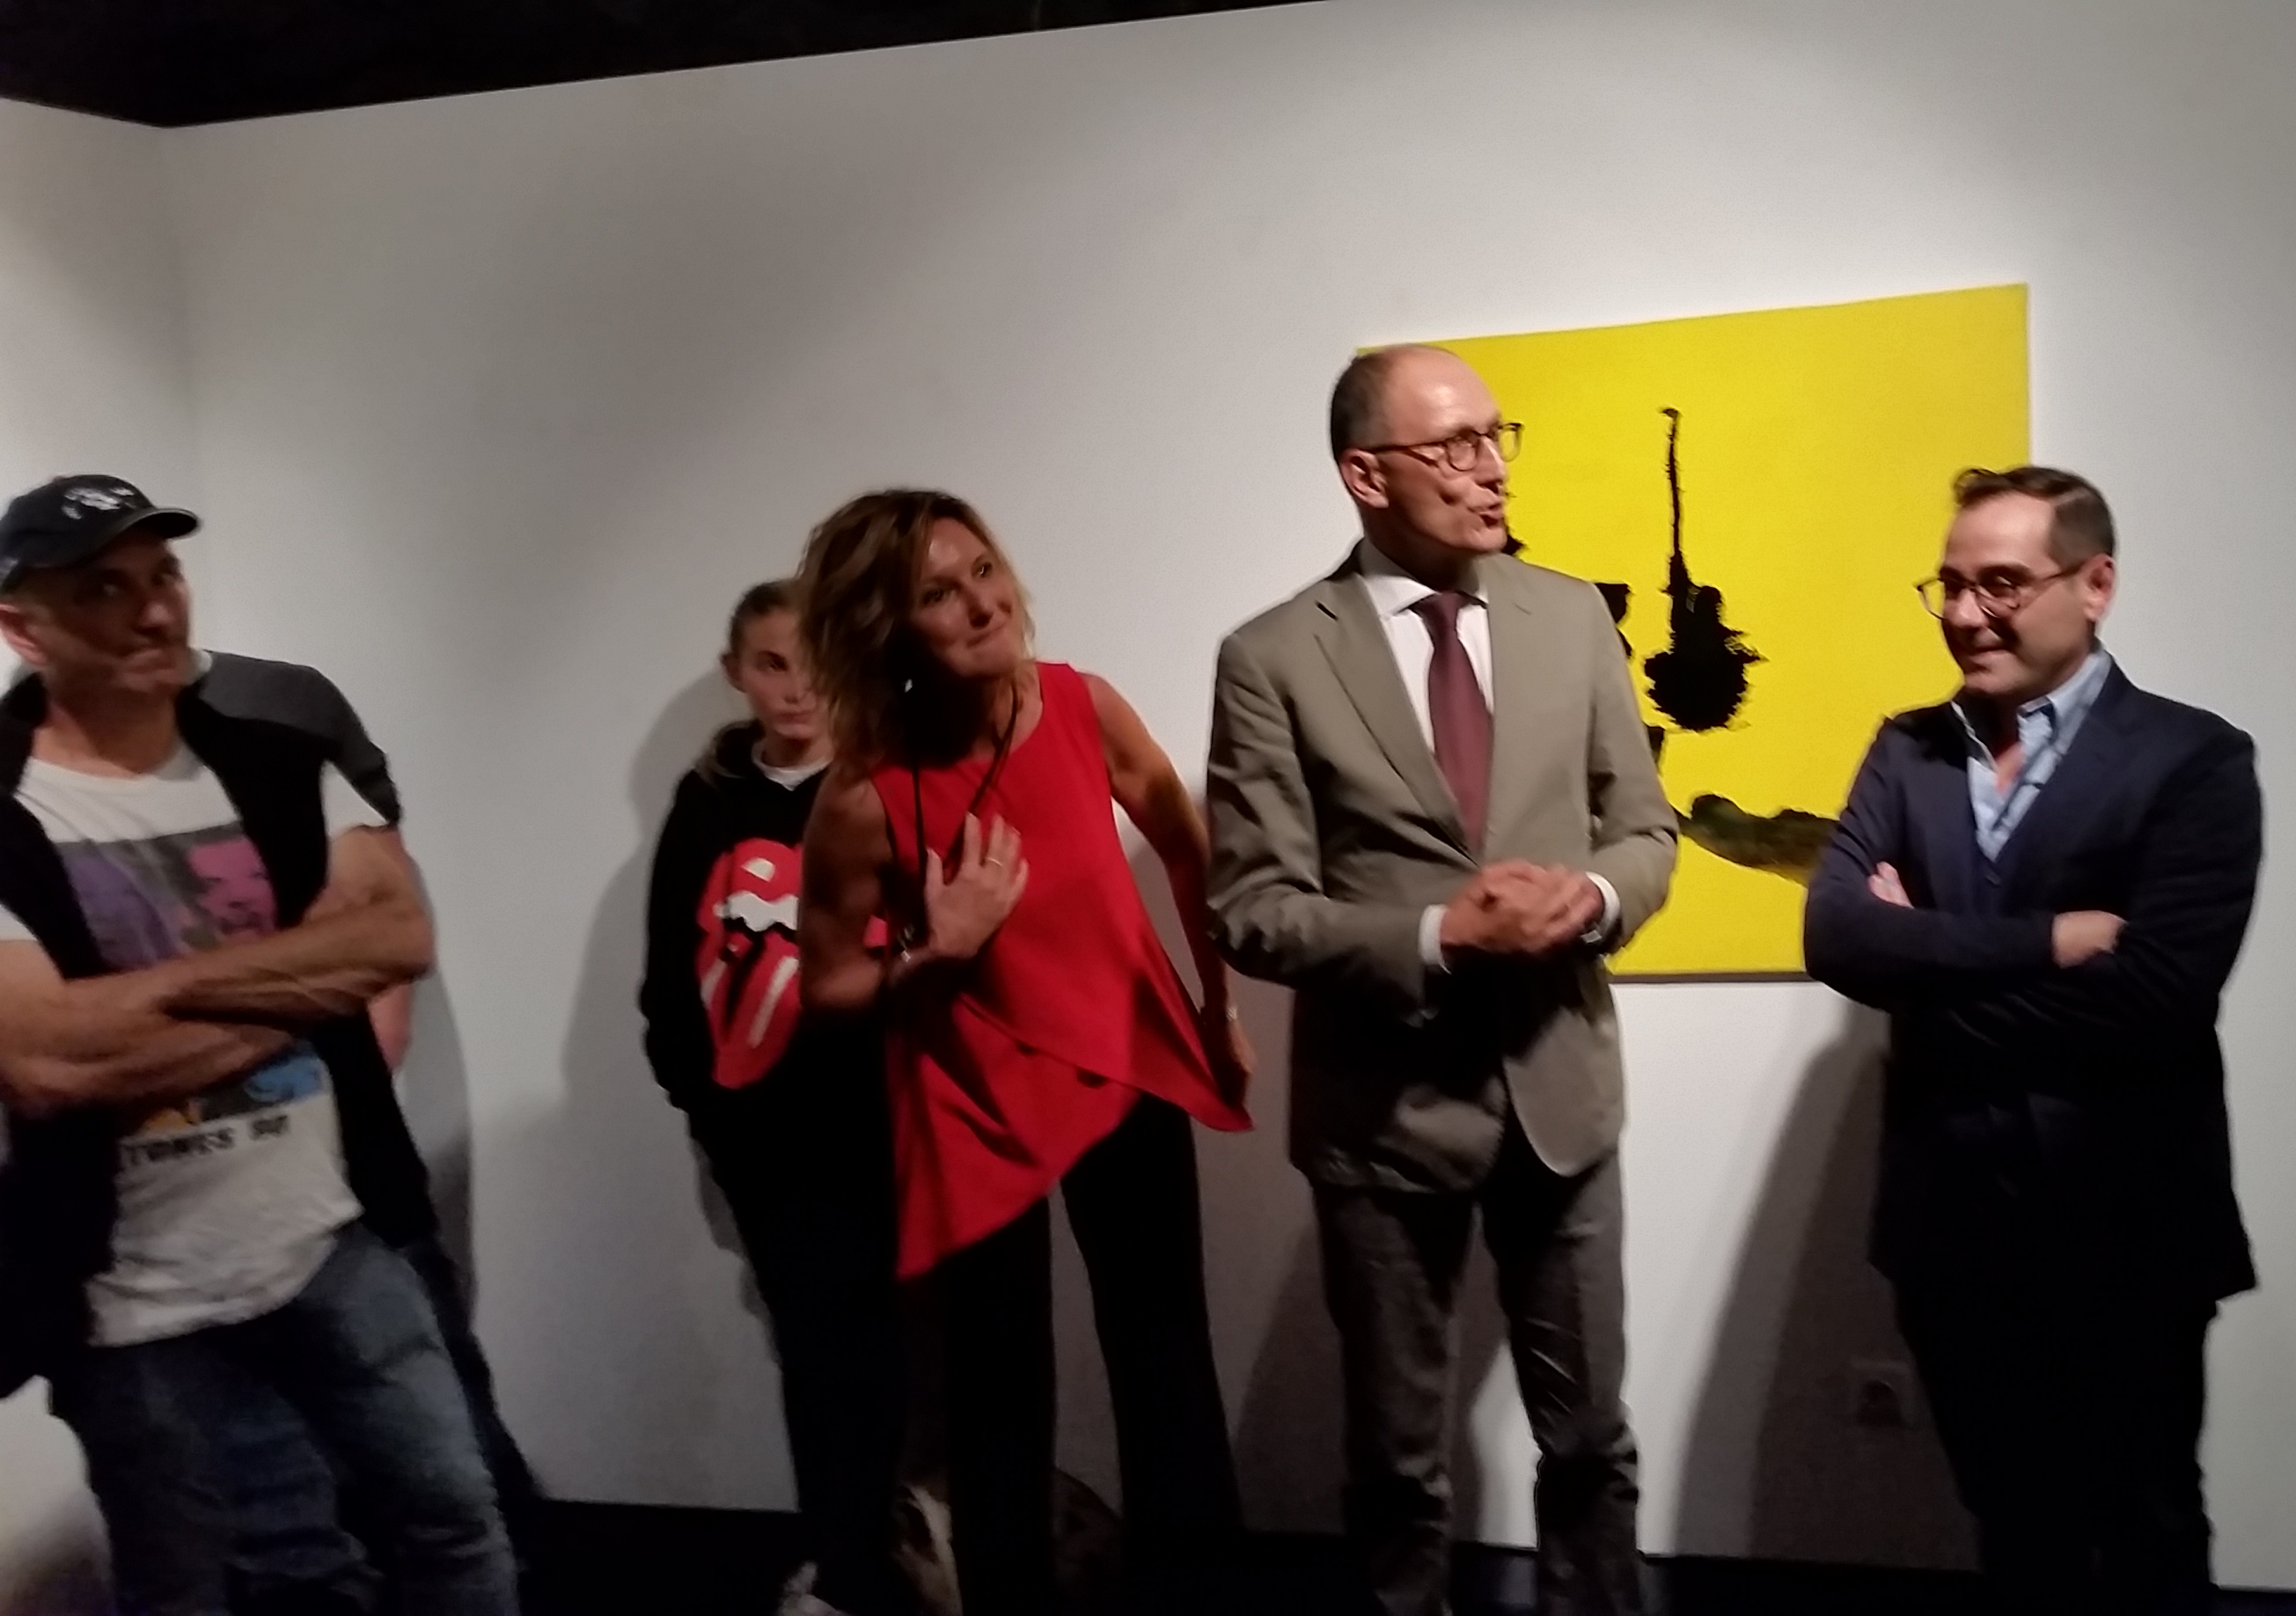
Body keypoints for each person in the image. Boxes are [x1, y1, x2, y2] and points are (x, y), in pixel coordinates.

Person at [1206, 346, 1678, 1616]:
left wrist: (1593, 899)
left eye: (1495, 436)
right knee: (1398, 1466)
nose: (1492, 467)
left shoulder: (1571, 615)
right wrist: (1435, 938)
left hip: (1559, 1093)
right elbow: (1252, 910)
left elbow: (1645, 831)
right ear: (1367, 475)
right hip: (1384, 1118)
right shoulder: (1272, 658)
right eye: (1456, 444)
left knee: (1591, 1444)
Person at [0, 474, 519, 1615]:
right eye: (104, 590)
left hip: (325, 1237)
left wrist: (147, 1002)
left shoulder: (280, 761)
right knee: (202, 1586)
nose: (154, 611)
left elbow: (398, 933)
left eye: (164, 575)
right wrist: (306, 975)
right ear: (23, 626)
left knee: (457, 1523)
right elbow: (48, 1063)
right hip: (126, 1295)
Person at [1803, 465, 2263, 1614]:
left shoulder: (2195, 760)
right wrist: (2048, 941)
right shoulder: (1907, 749)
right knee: (2012, 1527)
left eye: (2002, 584)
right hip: (1950, 1221)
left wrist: (1923, 960)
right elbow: (1836, 937)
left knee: (2150, 1525)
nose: (1967, 614)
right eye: (1950, 586)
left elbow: (2155, 997)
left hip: (2127, 1217)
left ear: (2094, 584)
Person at [794, 489, 1251, 1616]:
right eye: (938, 594)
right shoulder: (862, 796)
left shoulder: (1081, 706)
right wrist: (931, 957)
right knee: (998, 1397)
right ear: (888, 629)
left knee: (1167, 1364)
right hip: (974, 1103)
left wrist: (1216, 1004)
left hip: (1123, 1062)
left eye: (984, 572)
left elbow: (1186, 843)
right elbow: (827, 986)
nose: (981, 603)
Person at [640, 579, 911, 1616]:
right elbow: (671, 967)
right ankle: (833, 1555)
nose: (797, 688)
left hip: (873, 1122)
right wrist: (704, 1102)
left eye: (815, 662)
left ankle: (862, 1564)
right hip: (757, 1127)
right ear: (736, 673)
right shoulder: (707, 800)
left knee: (877, 1342)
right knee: (807, 1342)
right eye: (771, 664)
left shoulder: (885, 786)